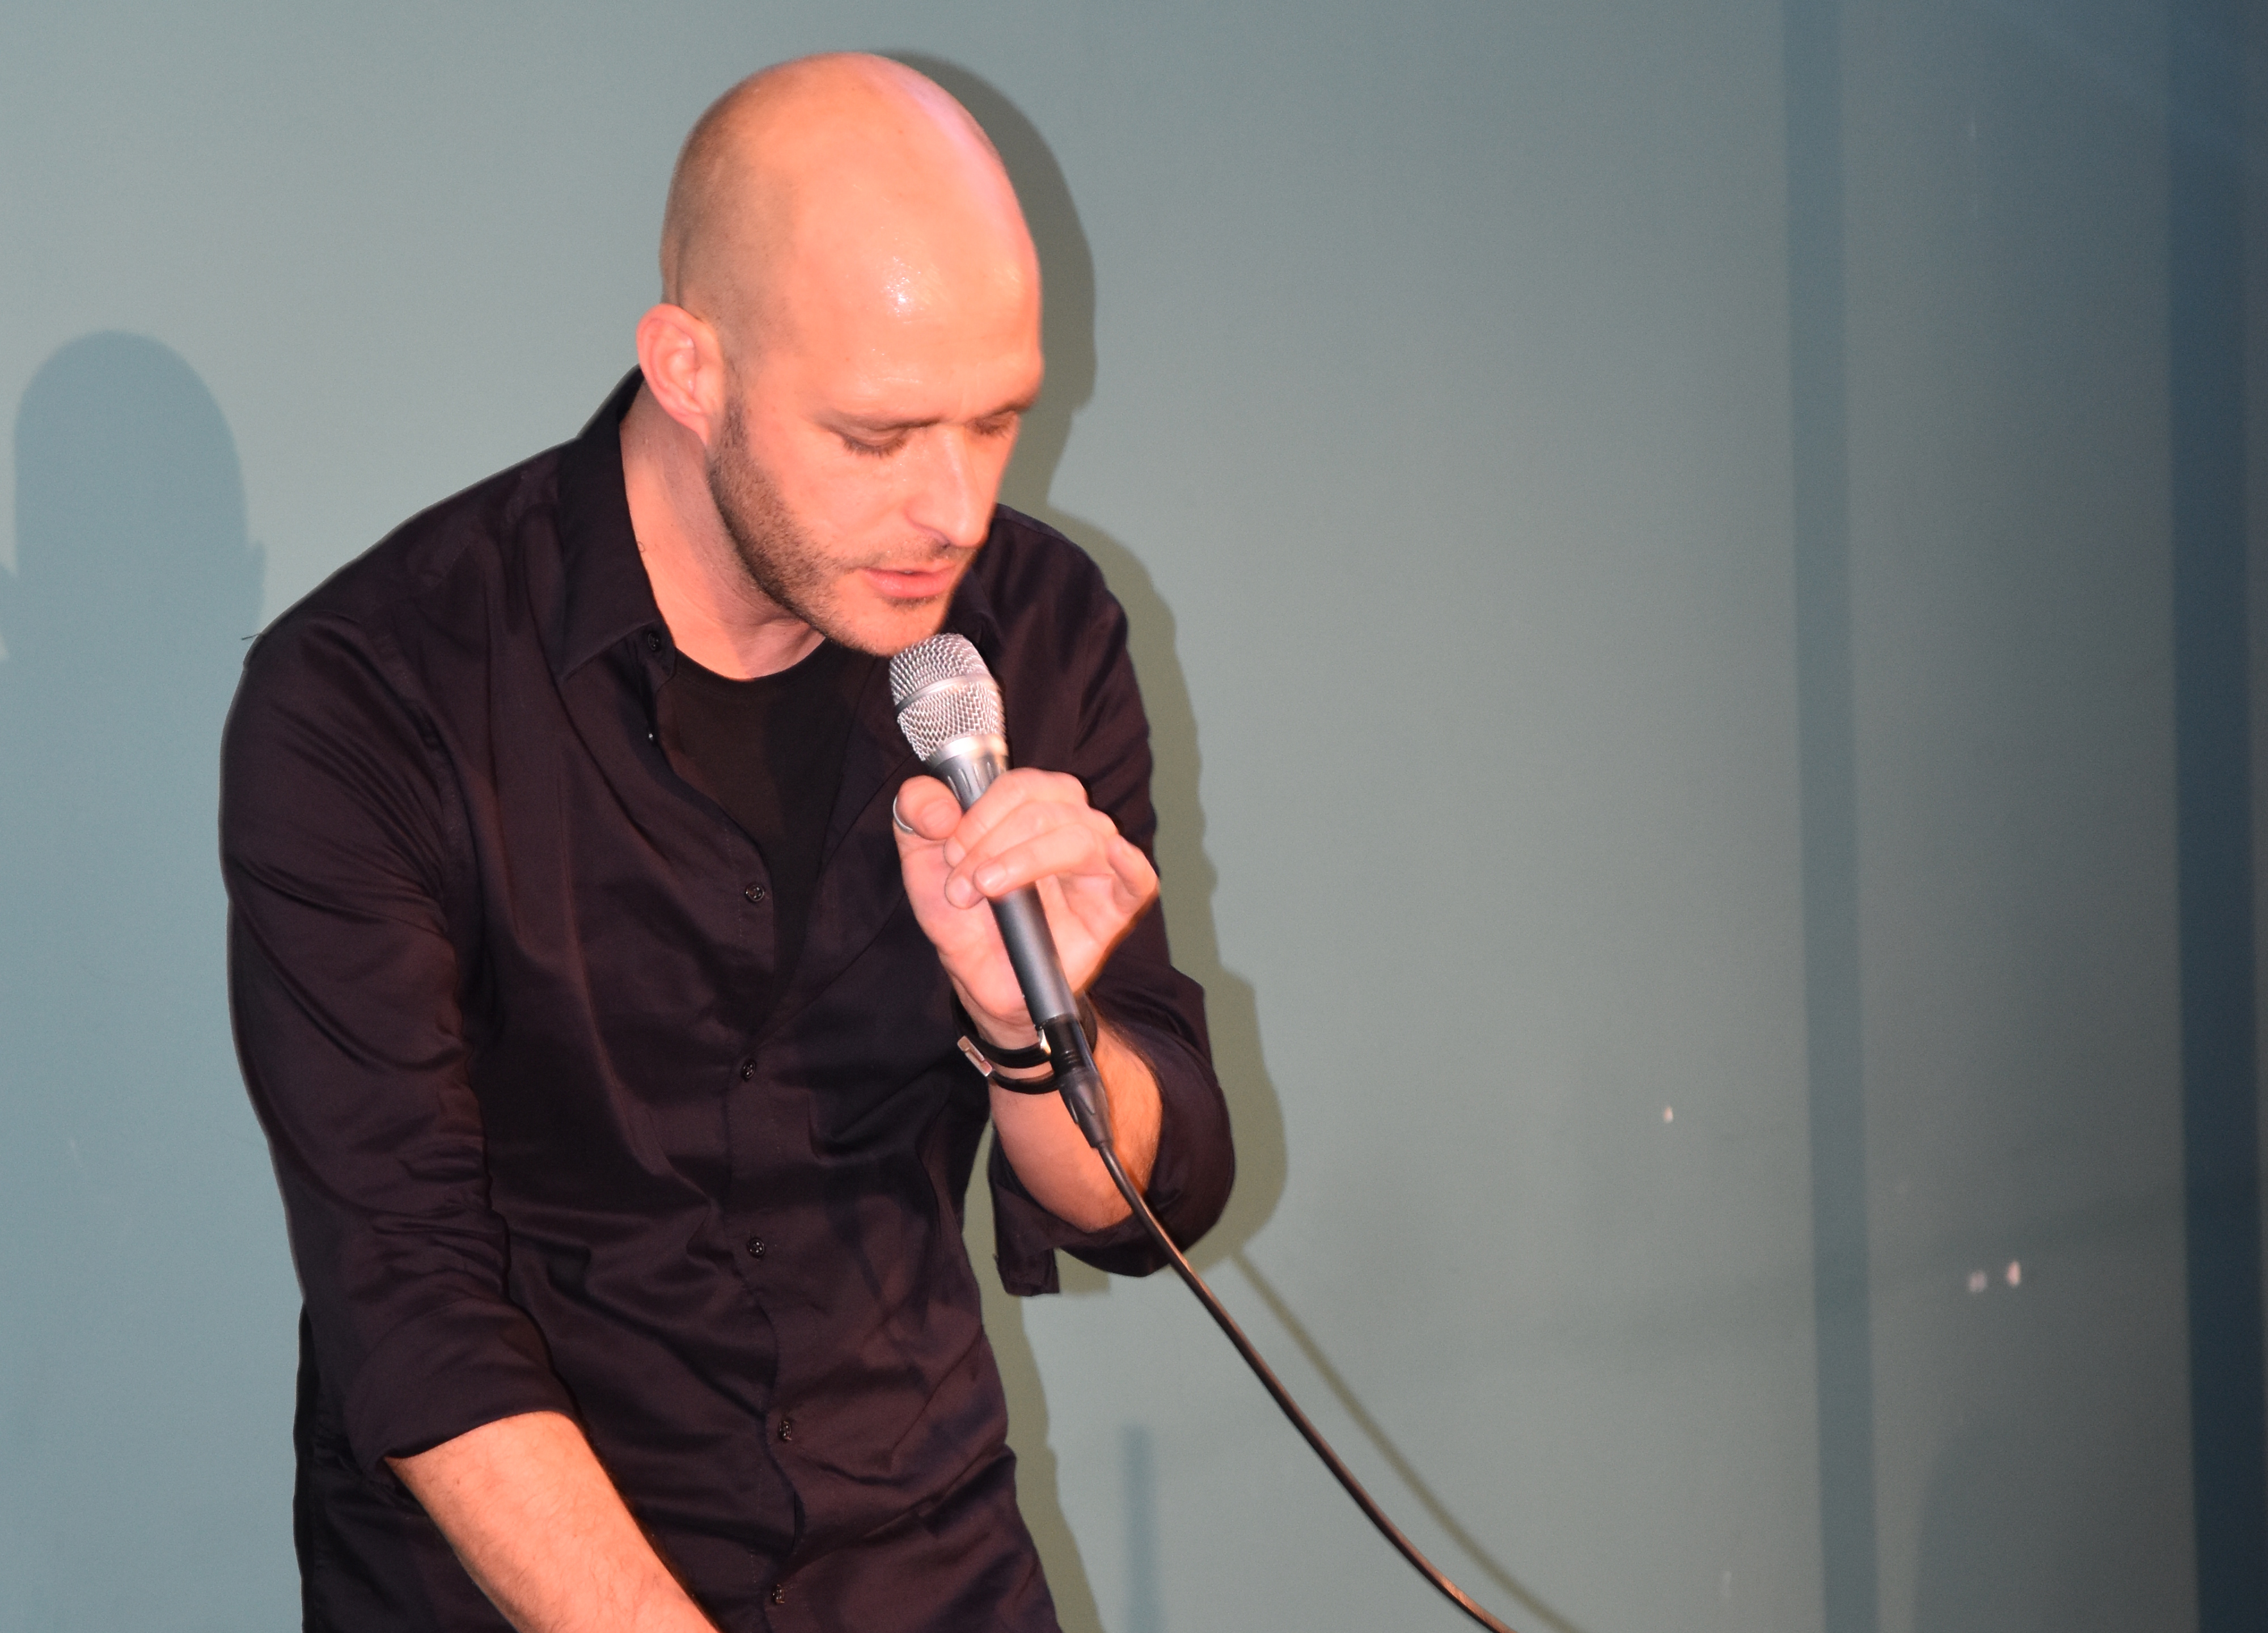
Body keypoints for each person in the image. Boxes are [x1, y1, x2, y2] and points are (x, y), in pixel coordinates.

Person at [221, 54, 1234, 1633]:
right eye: (878, 436)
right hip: (525, 1586)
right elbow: (409, 1308)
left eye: (996, 422)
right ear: (691, 369)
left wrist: (1027, 1030)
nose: (958, 510)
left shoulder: (1032, 633)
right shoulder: (375, 694)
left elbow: (1144, 1204)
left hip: (924, 1559)